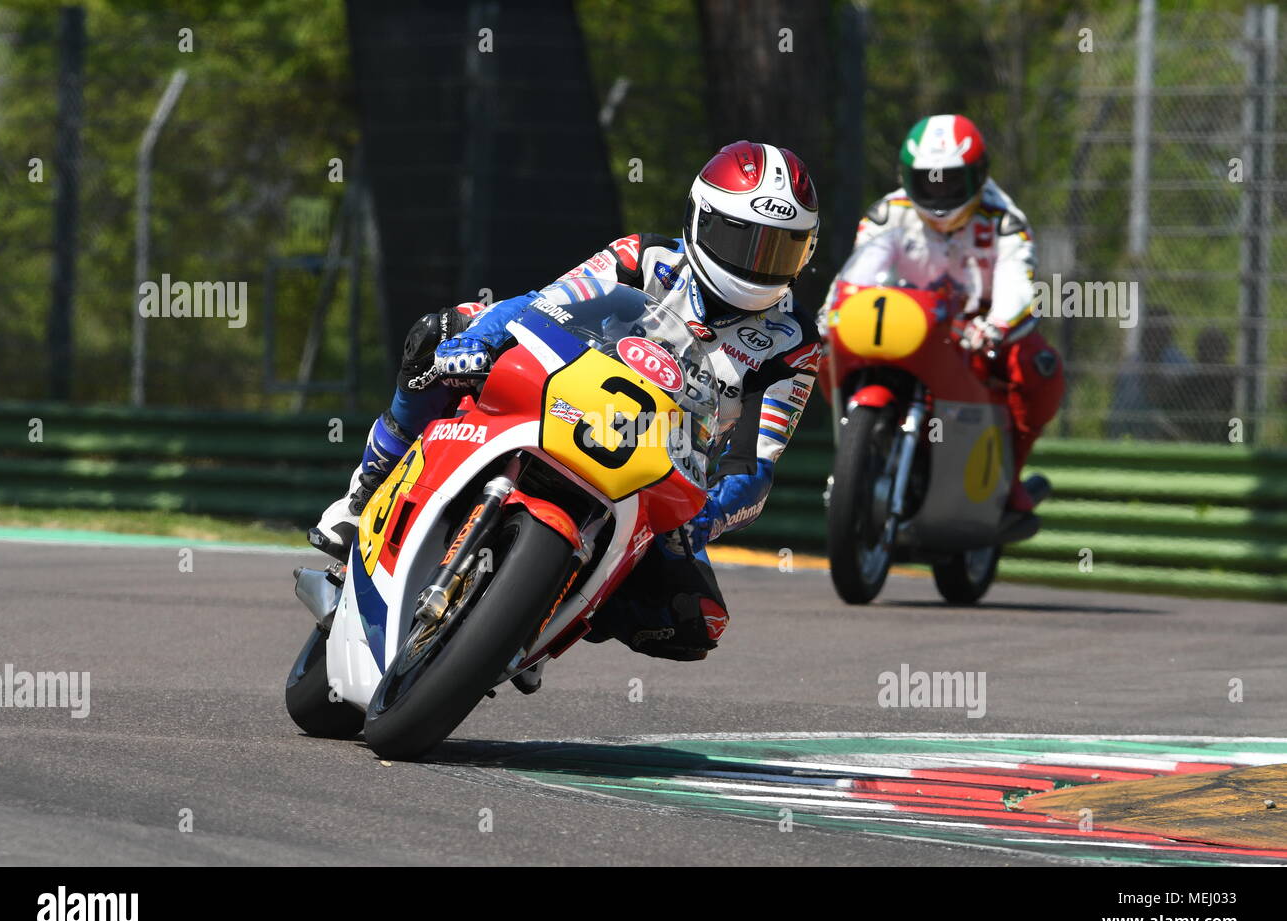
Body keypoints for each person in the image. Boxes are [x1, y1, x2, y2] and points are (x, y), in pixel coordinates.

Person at [310, 141, 822, 661]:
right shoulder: (643, 257)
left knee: (692, 621)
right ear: (702, 218)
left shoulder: (795, 341)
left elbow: (754, 463)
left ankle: (538, 619)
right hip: (560, 397)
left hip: (658, 467)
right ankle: (366, 489)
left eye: (781, 249)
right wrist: (478, 342)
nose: (759, 265)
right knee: (437, 334)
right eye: (746, 243)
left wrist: (707, 516)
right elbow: (542, 305)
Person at [818, 114, 1064, 511]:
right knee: (825, 351)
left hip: (975, 330)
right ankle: (863, 444)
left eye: (949, 180)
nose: (938, 193)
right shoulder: (888, 213)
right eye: (927, 179)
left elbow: (1016, 279)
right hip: (903, 325)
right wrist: (831, 313)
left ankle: (1007, 477)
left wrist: (997, 324)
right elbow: (858, 271)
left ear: (978, 175)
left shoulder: (1004, 221)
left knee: (1040, 365)